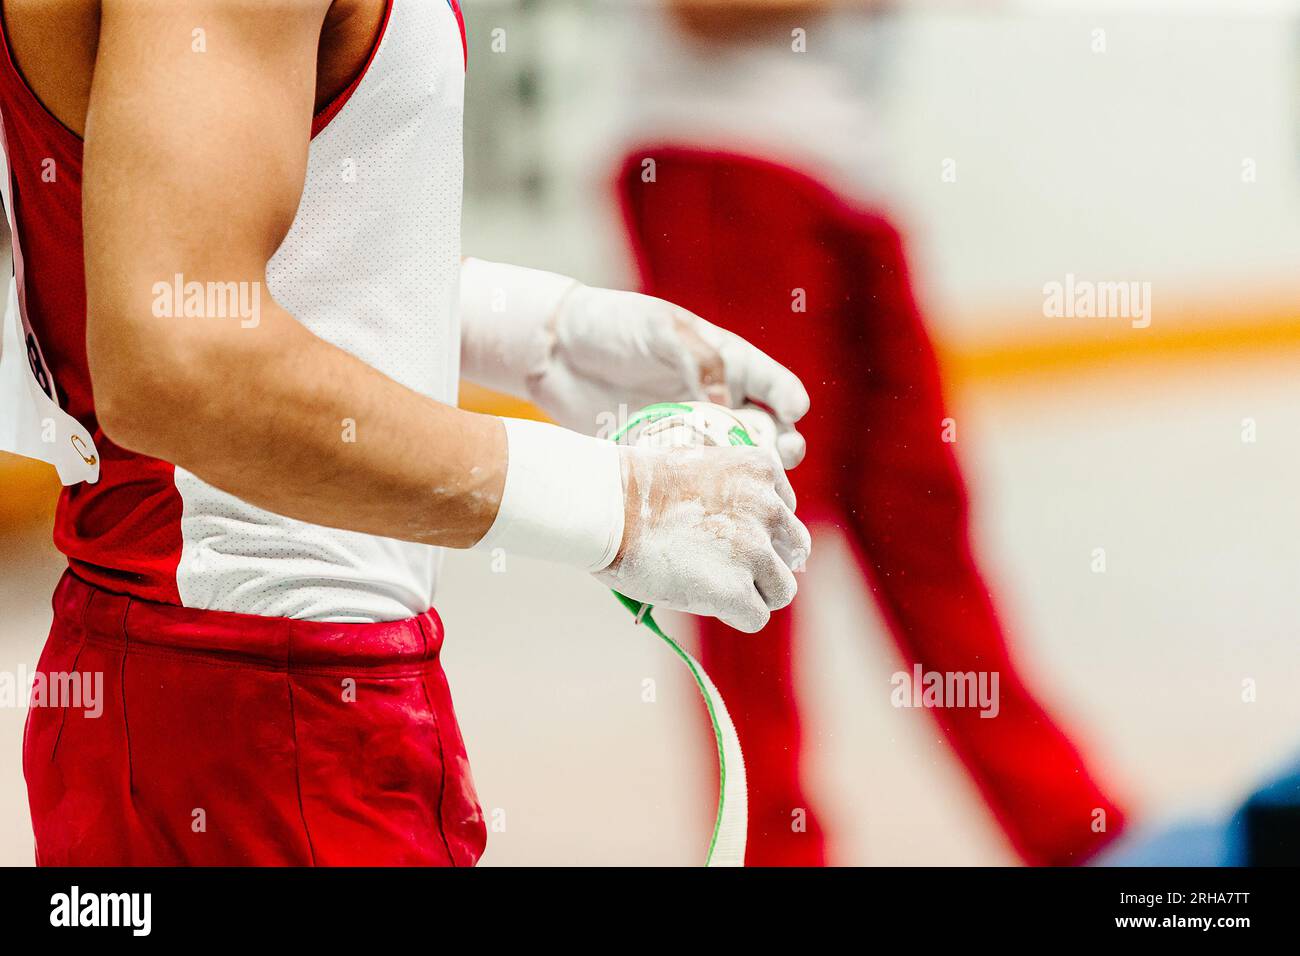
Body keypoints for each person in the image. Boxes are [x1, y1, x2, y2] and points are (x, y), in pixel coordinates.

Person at [0, 0, 810, 865]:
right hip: (270, 712)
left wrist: (523, 328)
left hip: (220, 693)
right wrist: (615, 505)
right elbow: (178, 358)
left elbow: (166, 252)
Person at [615, 0, 1127, 865]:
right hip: (721, 165)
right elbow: (693, 11)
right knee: (745, 535)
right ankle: (770, 848)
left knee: (923, 518)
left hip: (843, 177)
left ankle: (1071, 830)